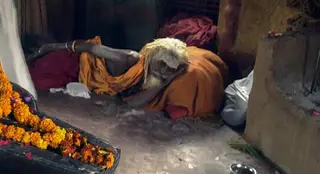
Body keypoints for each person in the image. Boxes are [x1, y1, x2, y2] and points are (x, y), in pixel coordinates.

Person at [28, 37, 228, 119]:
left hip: (80, 81)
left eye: (170, 70)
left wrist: (165, 81)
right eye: (162, 65)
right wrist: (49, 48)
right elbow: (90, 47)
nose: (164, 72)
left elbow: (132, 104)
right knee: (28, 79)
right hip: (72, 62)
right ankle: (39, 45)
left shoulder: (157, 78)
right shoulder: (131, 59)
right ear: (152, 57)